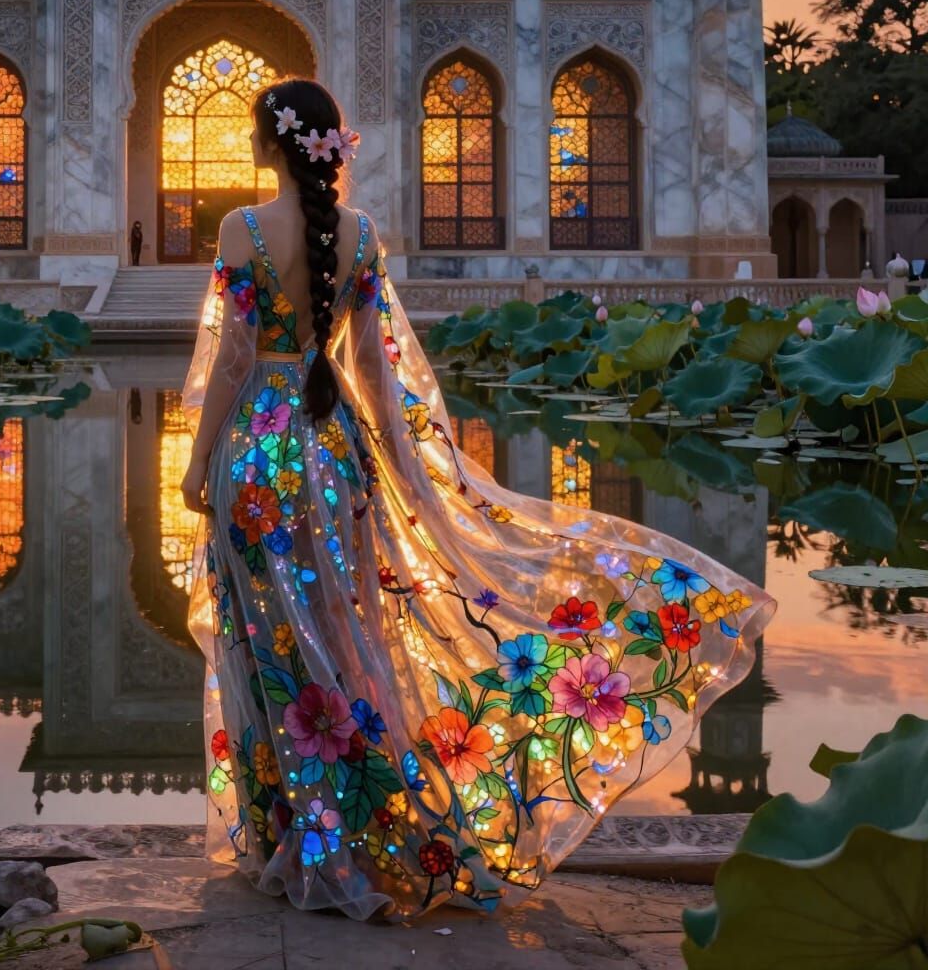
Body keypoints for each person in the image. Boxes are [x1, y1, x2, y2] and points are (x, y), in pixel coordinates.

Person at [178, 78, 773, 922]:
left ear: (272, 143)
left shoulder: (242, 229)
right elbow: (381, 383)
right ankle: (370, 829)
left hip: (260, 452)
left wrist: (199, 465)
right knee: (345, 641)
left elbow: (234, 364)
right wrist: (426, 479)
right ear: (330, 147)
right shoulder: (363, 236)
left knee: (270, 643)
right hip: (335, 445)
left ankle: (298, 838)